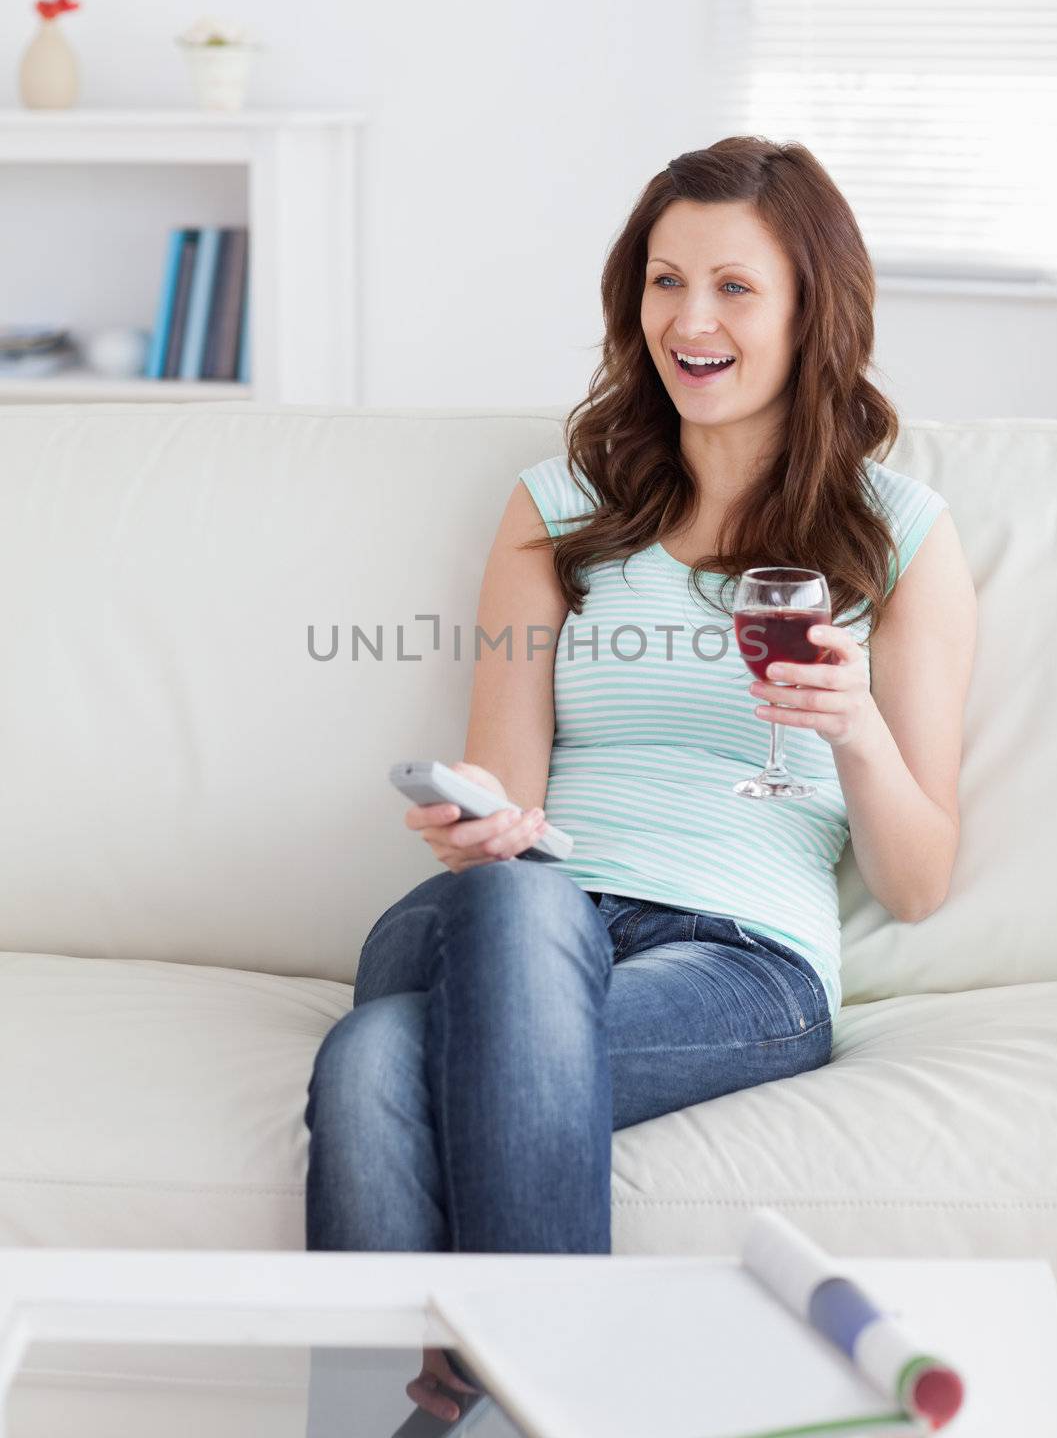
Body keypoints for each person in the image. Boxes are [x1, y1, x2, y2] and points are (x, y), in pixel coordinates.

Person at [303, 136, 977, 1426]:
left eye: (733, 286)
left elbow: (921, 878)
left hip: (734, 954)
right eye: (666, 282)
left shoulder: (899, 534)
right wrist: (476, 821)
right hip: (524, 912)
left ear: (808, 310)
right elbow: (509, 789)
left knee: (377, 1061)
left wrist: (857, 731)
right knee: (512, 896)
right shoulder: (557, 507)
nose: (691, 319)